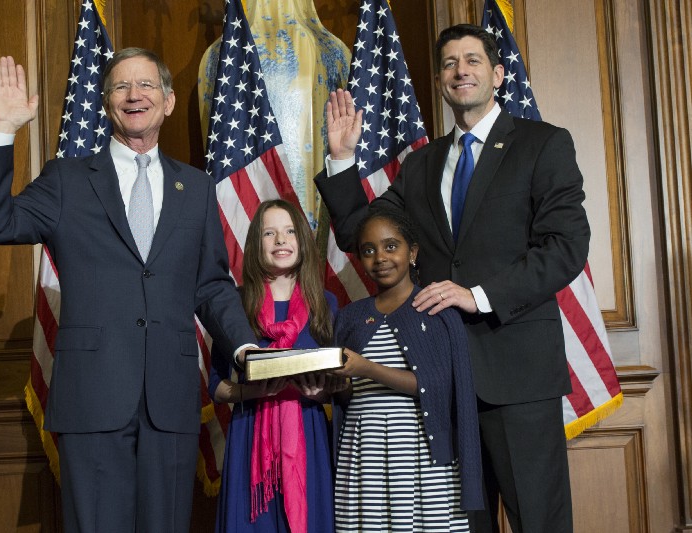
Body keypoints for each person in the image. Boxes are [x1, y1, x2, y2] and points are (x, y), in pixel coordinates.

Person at [0, 49, 258, 532]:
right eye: (121, 87)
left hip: (171, 400)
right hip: (93, 400)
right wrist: (2, 129)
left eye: (145, 85)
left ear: (166, 102)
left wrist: (244, 343)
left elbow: (210, 283)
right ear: (106, 105)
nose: (134, 95)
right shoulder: (67, 180)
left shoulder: (198, 187)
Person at [315, 23, 590, 533]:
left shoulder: (542, 145)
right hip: (441, 379)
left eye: (472, 60)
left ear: (498, 74)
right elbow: (362, 233)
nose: (460, 70)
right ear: (440, 81)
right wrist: (342, 158)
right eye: (449, 64)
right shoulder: (421, 164)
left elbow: (565, 249)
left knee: (539, 521)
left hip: (517, 373)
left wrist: (477, 295)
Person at [330, 208, 482, 532]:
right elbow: (345, 396)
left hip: (419, 455)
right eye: (368, 250)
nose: (380, 257)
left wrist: (366, 367)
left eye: (390, 246)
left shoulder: (434, 309)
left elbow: (436, 385)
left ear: (412, 252)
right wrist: (332, 382)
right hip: (363, 452)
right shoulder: (349, 318)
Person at [208, 199, 341, 533]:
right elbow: (217, 386)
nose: (281, 240)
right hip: (250, 434)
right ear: (255, 245)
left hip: (308, 434)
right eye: (270, 233)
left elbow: (338, 381)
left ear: (303, 242)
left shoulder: (325, 303)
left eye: (290, 231)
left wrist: (320, 392)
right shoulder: (235, 305)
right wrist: (247, 391)